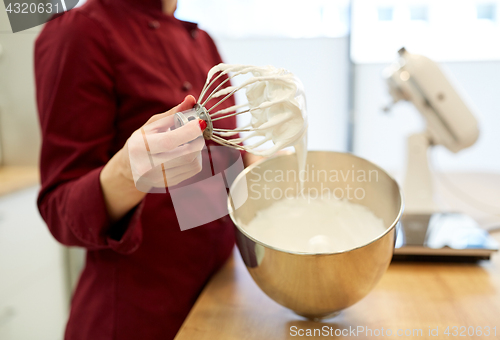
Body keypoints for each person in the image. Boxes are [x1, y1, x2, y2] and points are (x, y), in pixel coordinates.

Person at [35, 0, 252, 338]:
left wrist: (252, 165)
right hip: (136, 315)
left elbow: (204, 180)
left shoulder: (203, 41)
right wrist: (126, 173)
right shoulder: (80, 31)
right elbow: (58, 207)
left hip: (215, 292)